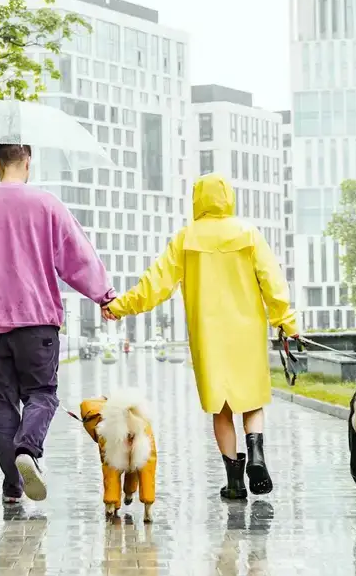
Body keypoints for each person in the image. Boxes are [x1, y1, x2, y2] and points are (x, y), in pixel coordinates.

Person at [102, 173, 298, 499]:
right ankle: (258, 456)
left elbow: (155, 284)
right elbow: (273, 283)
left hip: (209, 337)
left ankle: (235, 482)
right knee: (251, 402)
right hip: (247, 332)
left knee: (221, 410)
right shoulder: (248, 234)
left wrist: (119, 306)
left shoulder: (186, 239)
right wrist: (287, 323)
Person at [0, 144, 116, 503]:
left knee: (1, 403)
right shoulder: (47, 205)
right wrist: (104, 294)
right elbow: (77, 258)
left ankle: (13, 485)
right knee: (41, 395)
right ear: (27, 162)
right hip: (37, 320)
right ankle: (28, 449)